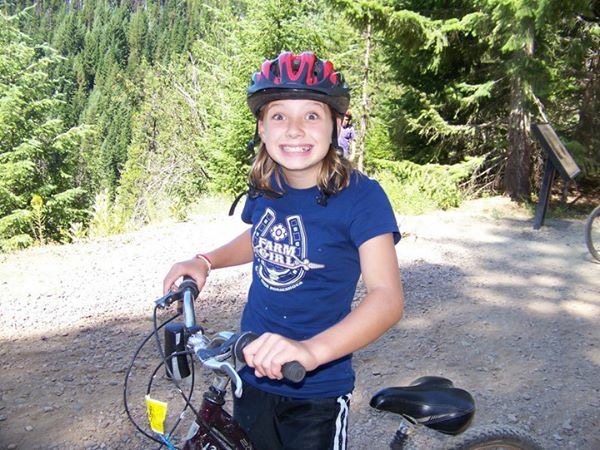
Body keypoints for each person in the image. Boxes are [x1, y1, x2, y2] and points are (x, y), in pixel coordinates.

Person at [163, 51, 404, 450]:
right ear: (261, 127)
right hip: (252, 370)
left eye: (311, 115)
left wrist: (310, 351)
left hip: (315, 389)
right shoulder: (269, 181)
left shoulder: (362, 198)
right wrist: (206, 261)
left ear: (337, 125)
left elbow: (387, 298)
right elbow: (259, 237)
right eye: (279, 116)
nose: (294, 130)